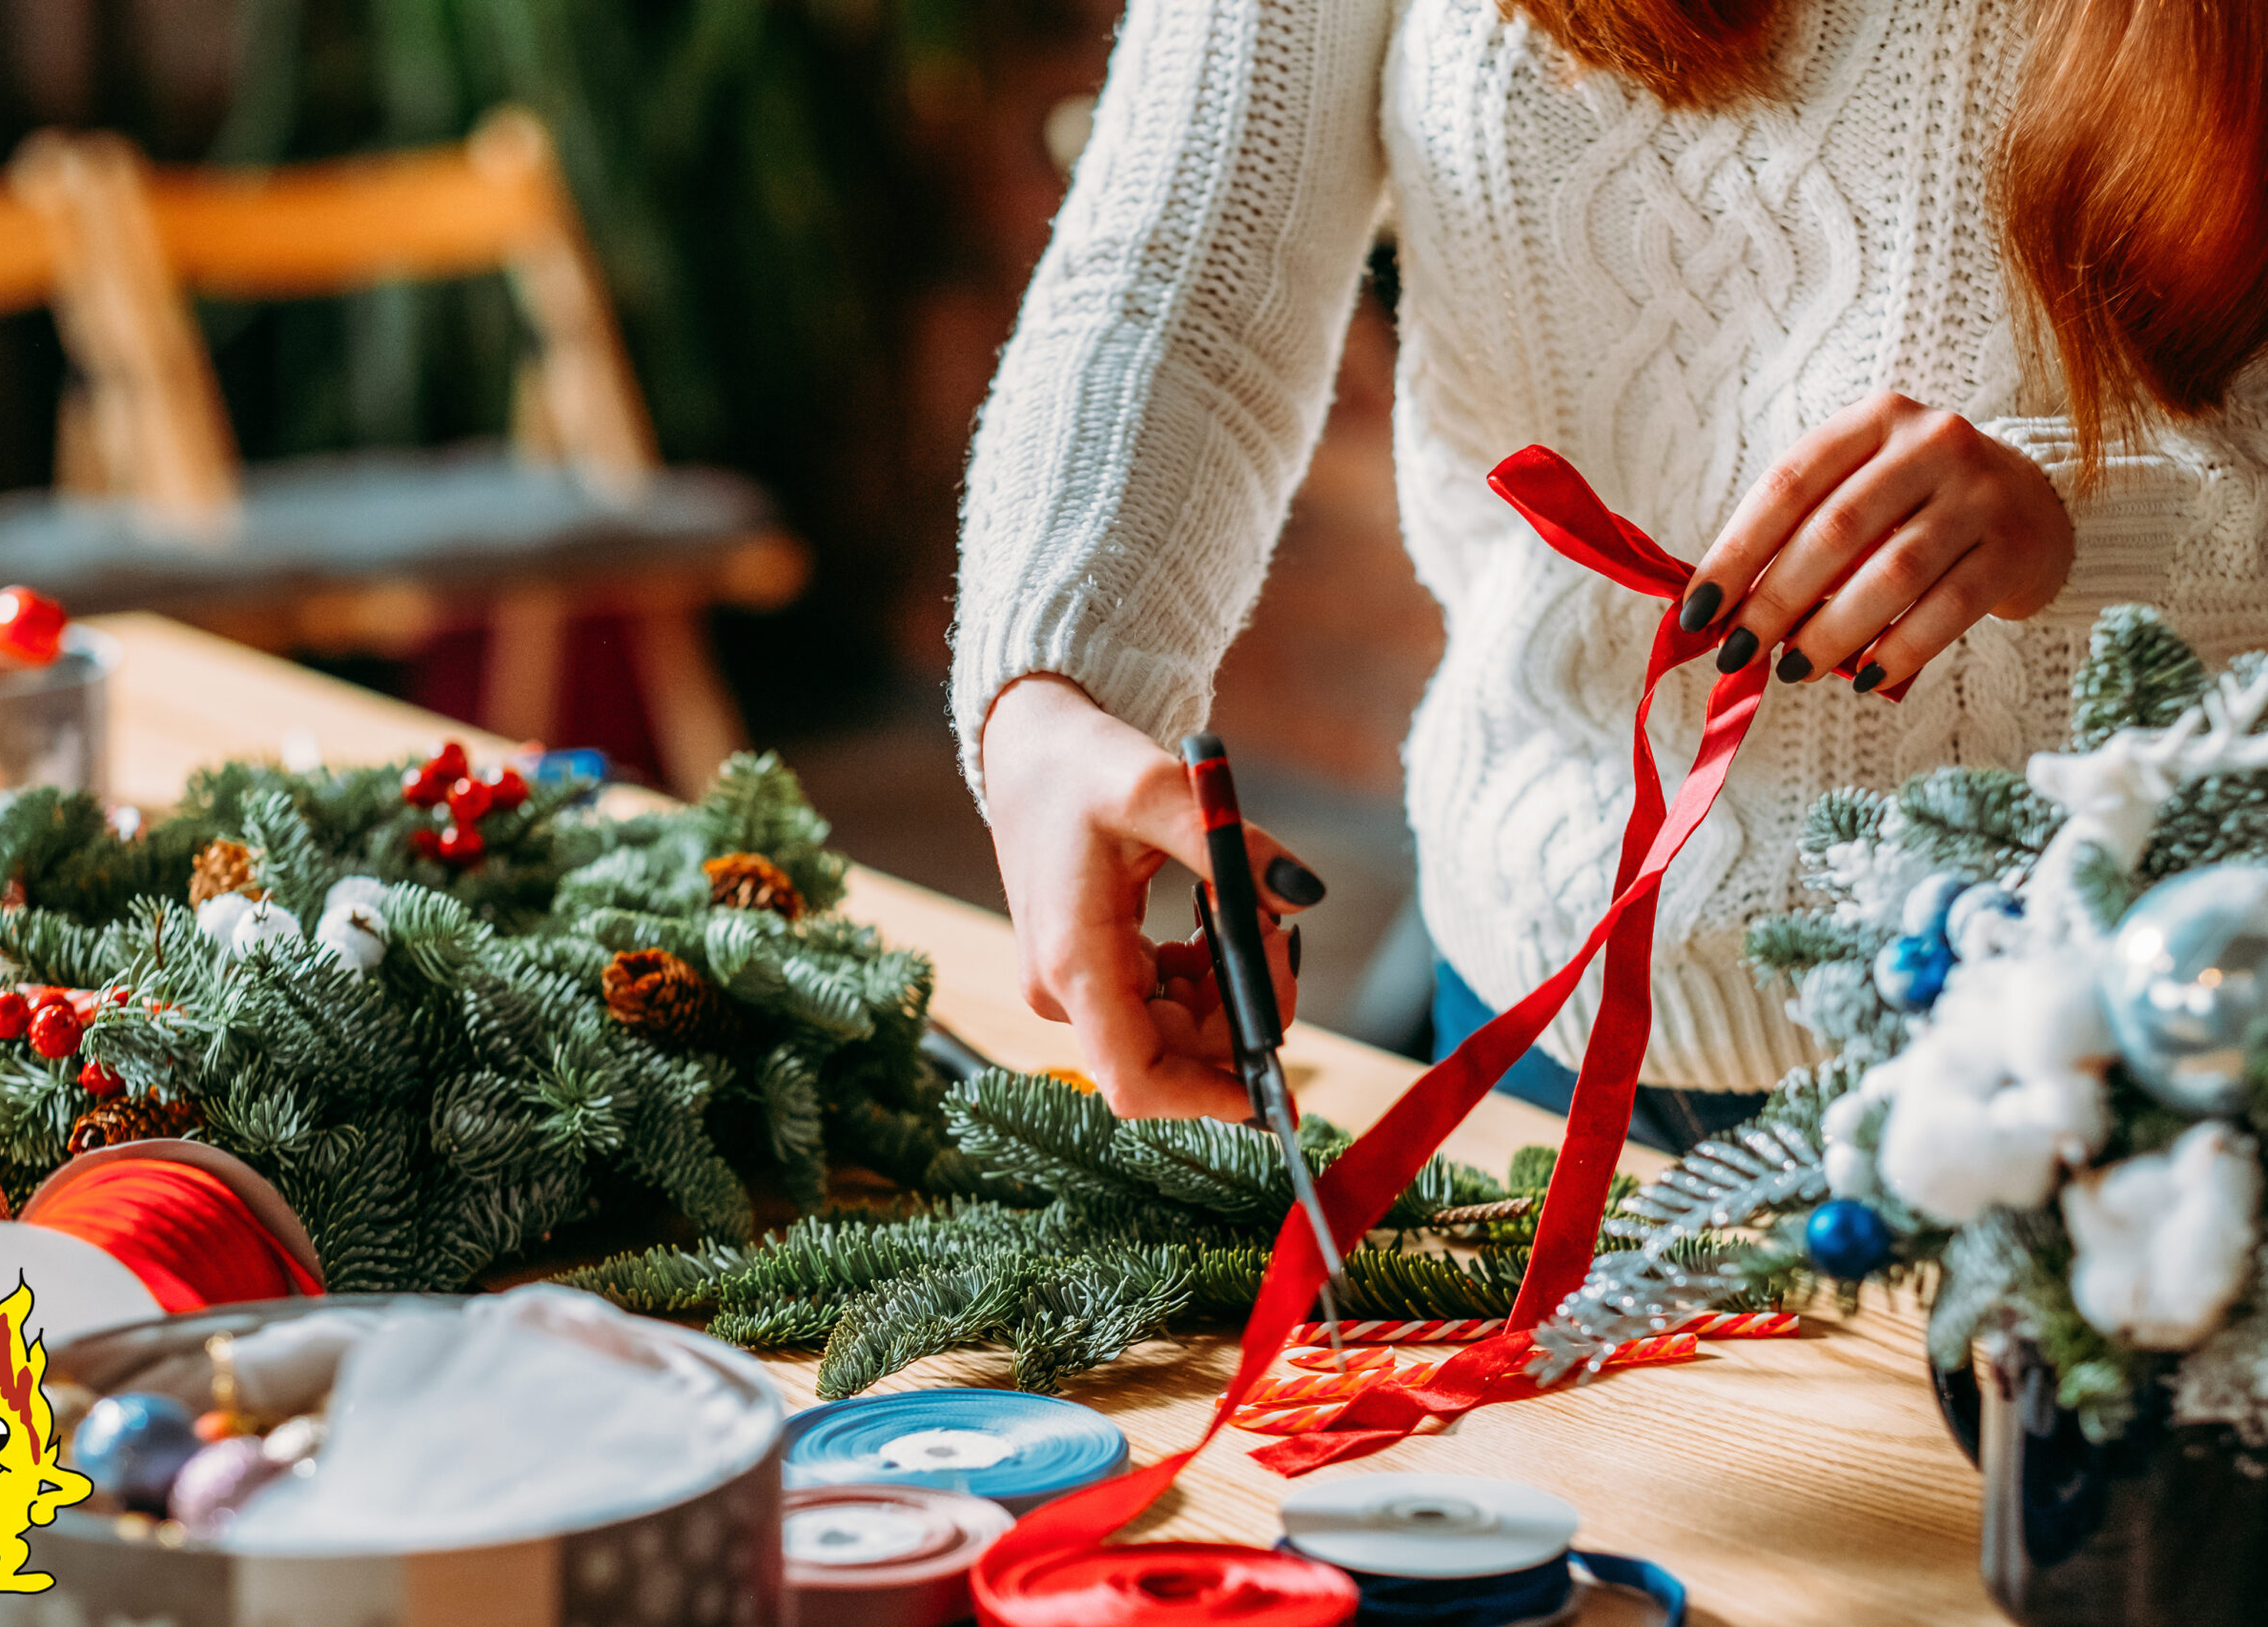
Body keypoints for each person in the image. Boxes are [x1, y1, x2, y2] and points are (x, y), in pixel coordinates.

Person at [953, 0, 2268, 1127]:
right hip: (1542, 1003)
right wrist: (1055, 693)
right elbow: (1179, 276)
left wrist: (2084, 529)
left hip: (2141, 1036)